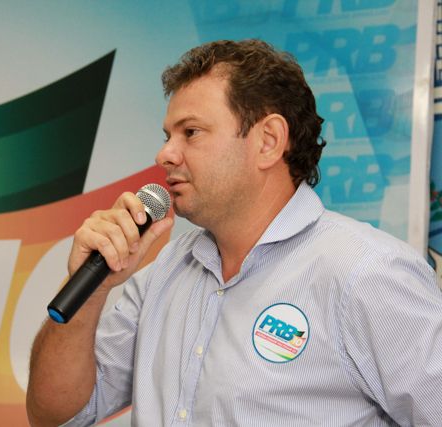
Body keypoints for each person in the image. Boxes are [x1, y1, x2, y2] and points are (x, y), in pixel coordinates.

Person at [26, 39, 442, 426]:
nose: (164, 154)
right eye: (168, 136)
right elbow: (56, 414)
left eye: (190, 132)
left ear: (268, 141)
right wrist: (92, 288)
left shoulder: (367, 274)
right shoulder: (164, 272)